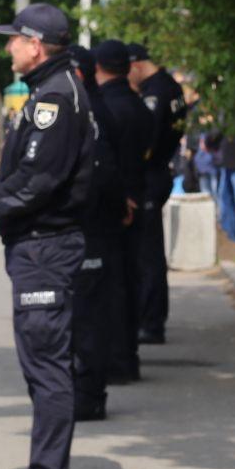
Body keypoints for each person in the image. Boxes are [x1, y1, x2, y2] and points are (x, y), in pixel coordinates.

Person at [0, 4, 97, 469]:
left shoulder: (55, 97)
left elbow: (41, 180)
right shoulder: (52, 90)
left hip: (46, 248)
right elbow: (23, 168)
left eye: (14, 41)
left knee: (47, 365)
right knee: (38, 361)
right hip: (39, 247)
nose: (8, 49)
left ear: (37, 44)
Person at [66, 43, 121, 422]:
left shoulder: (89, 112)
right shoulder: (89, 108)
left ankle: (87, 394)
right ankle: (87, 390)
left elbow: (102, 172)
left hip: (91, 228)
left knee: (86, 318)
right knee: (86, 315)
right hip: (95, 226)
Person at [93, 40, 152, 385]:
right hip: (138, 194)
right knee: (131, 279)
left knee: (111, 288)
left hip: (117, 205)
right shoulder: (139, 107)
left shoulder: (105, 109)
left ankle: (116, 359)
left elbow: (106, 163)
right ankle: (128, 355)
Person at [127, 43, 187, 344]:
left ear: (136, 65)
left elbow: (145, 139)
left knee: (147, 254)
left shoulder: (155, 92)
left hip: (151, 174)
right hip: (161, 171)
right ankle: (150, 318)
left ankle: (151, 322)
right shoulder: (169, 86)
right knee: (148, 252)